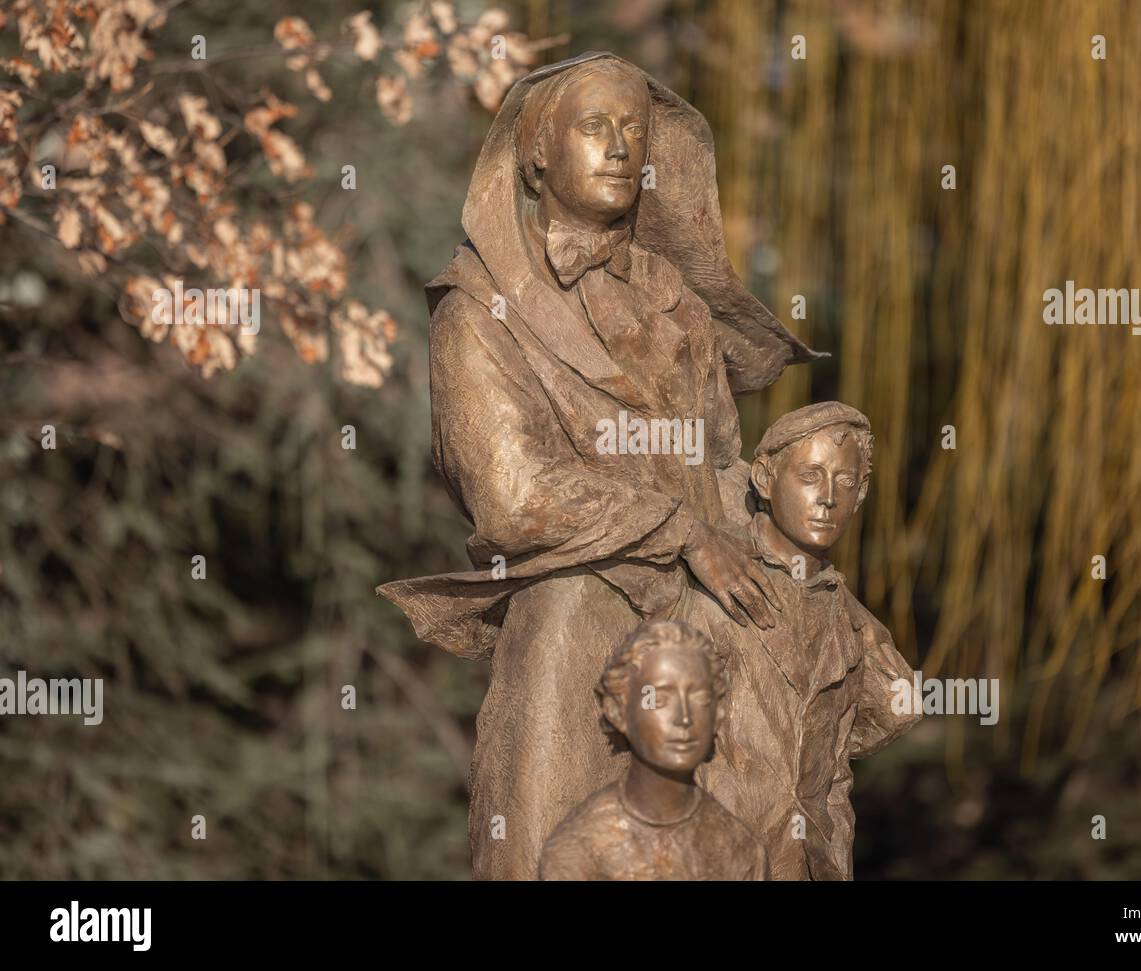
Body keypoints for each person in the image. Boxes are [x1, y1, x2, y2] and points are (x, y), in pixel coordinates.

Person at [378, 52, 821, 879]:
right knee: (543, 840)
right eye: (594, 127)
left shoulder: (677, 303)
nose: (620, 147)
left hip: (705, 620)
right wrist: (678, 528)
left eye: (634, 130)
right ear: (536, 153)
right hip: (576, 612)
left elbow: (721, 463)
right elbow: (512, 493)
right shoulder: (478, 312)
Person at [691, 401, 923, 880]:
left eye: (844, 482)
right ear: (763, 479)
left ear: (860, 495)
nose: (828, 499)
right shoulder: (717, 585)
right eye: (810, 475)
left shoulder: (848, 622)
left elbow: (854, 748)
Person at [539, 620, 767, 880]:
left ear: (718, 714)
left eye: (700, 699)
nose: (684, 718)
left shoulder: (741, 850)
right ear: (618, 712)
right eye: (659, 699)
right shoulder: (579, 852)